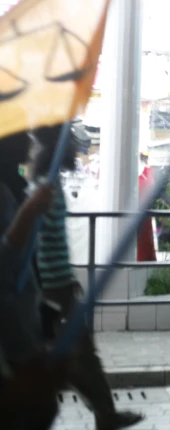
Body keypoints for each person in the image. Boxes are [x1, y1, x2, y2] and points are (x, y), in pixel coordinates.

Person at [31, 125, 144, 430]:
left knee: (79, 355)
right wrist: (52, 289)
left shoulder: (47, 185)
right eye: (70, 146)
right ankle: (104, 415)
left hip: (59, 287)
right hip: (53, 291)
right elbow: (35, 243)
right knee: (76, 356)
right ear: (59, 149)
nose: (76, 152)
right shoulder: (44, 190)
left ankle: (105, 414)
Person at [0, 132, 60, 430]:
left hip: (23, 337)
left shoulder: (14, 188)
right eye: (19, 132)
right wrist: (28, 213)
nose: (28, 139)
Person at [137, 151, 156, 262]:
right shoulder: (131, 172)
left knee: (145, 241)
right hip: (132, 213)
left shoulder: (149, 171)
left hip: (145, 213)